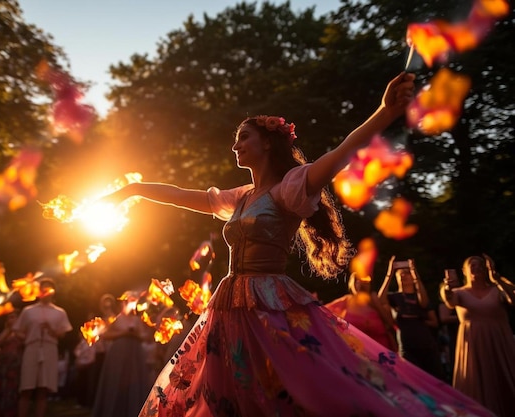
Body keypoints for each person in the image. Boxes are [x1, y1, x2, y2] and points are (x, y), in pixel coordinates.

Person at [101, 72, 493, 416]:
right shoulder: (239, 198)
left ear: (268, 143)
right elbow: (176, 194)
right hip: (228, 306)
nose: (235, 145)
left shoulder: (291, 188)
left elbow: (342, 153)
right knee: (224, 392)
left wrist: (386, 112)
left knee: (285, 390)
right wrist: (131, 189)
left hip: (271, 304)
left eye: (243, 137)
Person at [440, 254, 515, 417]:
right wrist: (446, 289)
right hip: (473, 343)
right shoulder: (459, 292)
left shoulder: (497, 289)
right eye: (471, 265)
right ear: (464, 271)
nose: (476, 268)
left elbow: (512, 298)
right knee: (476, 380)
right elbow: (450, 301)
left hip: (499, 340)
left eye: (479, 265)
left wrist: (498, 279)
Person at [378, 256, 445, 381]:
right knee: (411, 379)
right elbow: (380, 299)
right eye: (400, 275)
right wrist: (389, 273)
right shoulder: (395, 297)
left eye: (407, 274)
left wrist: (415, 273)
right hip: (406, 345)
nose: (403, 276)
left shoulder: (420, 294)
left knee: (434, 378)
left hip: (426, 344)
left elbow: (424, 303)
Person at [13, 278, 72, 417]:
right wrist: (26, 339)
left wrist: (51, 330)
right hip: (32, 348)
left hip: (49, 348)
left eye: (49, 290)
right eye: (43, 289)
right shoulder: (28, 311)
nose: (46, 292)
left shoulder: (60, 312)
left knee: (43, 389)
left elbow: (63, 333)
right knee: (26, 388)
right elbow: (18, 330)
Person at [91, 291, 151, 417]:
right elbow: (105, 335)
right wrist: (123, 333)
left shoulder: (137, 320)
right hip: (119, 353)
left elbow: (145, 336)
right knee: (117, 380)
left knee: (134, 380)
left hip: (134, 353)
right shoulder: (117, 319)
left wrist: (136, 335)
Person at [326, 272, 398, 351]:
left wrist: (376, 304)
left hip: (381, 354)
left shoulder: (376, 301)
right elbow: (323, 312)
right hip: (356, 353)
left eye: (365, 282)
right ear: (353, 284)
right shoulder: (347, 301)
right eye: (358, 281)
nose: (361, 284)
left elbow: (391, 324)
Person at [0, 309, 23, 417]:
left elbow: (25, 341)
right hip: (3, 366)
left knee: (12, 391)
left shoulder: (22, 332)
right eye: (10, 317)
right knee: (0, 390)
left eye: (14, 317)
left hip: (16, 366)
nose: (12, 319)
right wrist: (8, 330)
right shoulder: (6, 332)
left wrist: (15, 329)